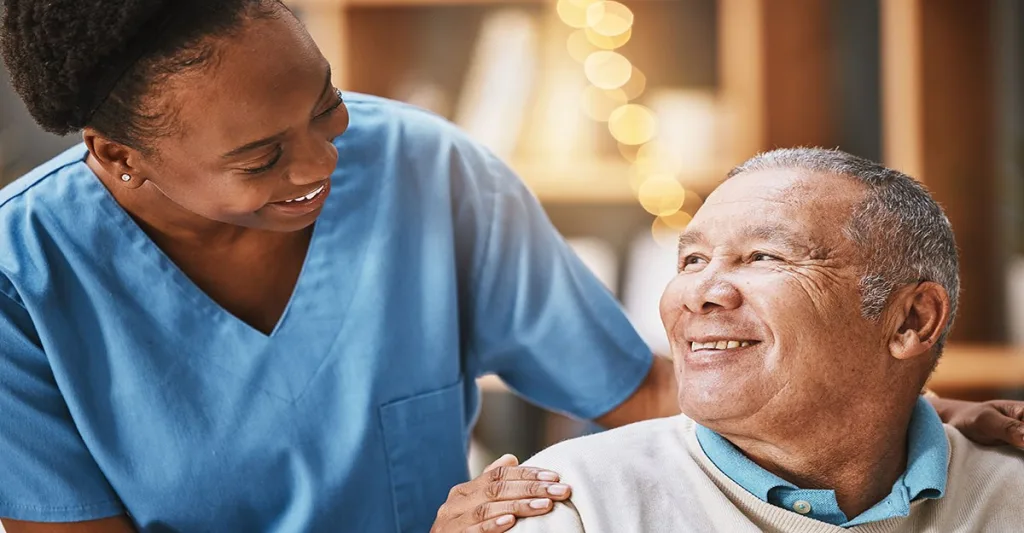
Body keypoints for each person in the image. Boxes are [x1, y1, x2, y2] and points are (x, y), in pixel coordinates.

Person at [0, 1, 1019, 531]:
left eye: (323, 103)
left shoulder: (423, 170)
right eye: (260, 157)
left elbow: (644, 391)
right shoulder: (21, 277)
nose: (322, 163)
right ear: (117, 156)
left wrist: (890, 416)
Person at [508, 148, 1024, 533]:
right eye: (692, 260)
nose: (700, 294)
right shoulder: (567, 504)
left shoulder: (1010, 495)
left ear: (911, 320)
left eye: (764, 257)